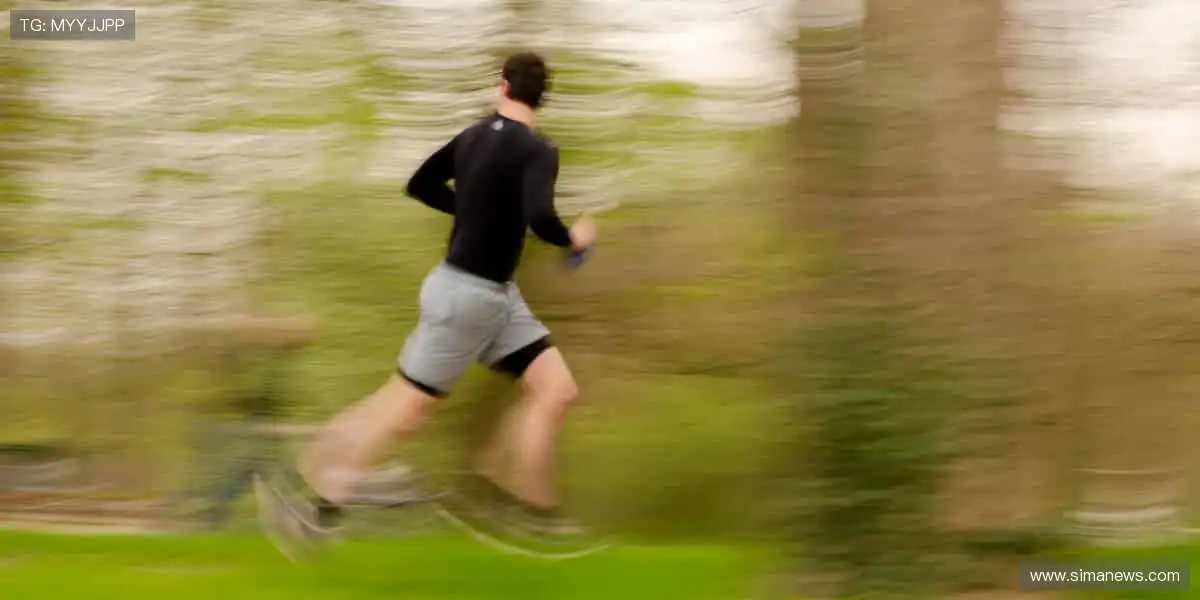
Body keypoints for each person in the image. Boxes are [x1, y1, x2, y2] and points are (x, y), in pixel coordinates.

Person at [255, 52, 597, 557]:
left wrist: (476, 207)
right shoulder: (539, 150)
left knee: (556, 389)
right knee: (401, 410)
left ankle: (523, 509)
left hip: (496, 299)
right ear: (541, 96)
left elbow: (420, 185)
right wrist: (575, 238)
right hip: (469, 297)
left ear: (502, 86)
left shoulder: (473, 137)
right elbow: (542, 219)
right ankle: (314, 500)